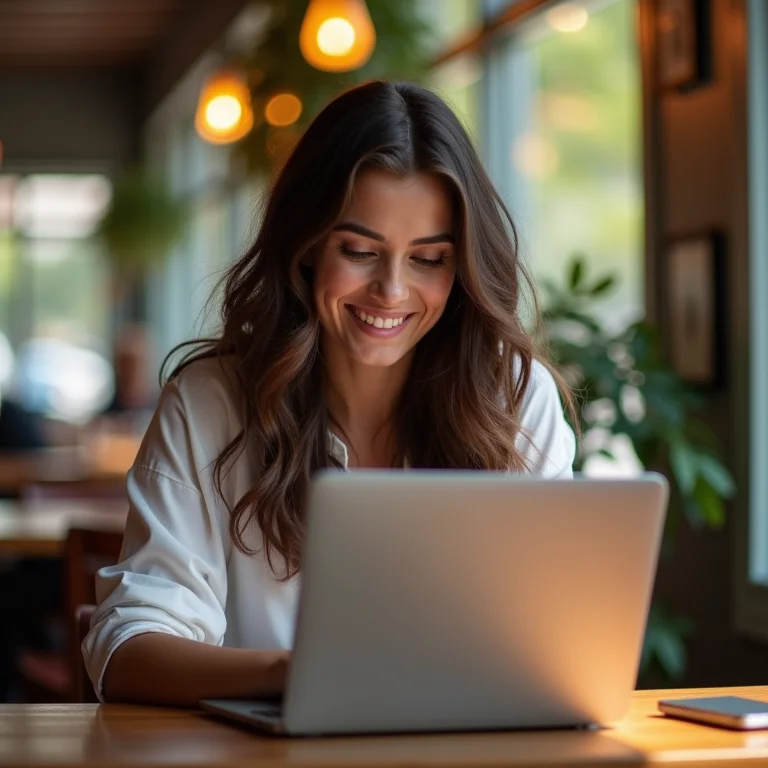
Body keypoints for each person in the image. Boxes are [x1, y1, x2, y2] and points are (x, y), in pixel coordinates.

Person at [84, 81, 577, 706]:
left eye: (428, 259)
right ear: (307, 245)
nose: (392, 290)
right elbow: (128, 648)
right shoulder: (210, 404)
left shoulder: (513, 397)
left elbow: (557, 635)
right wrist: (297, 675)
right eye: (360, 251)